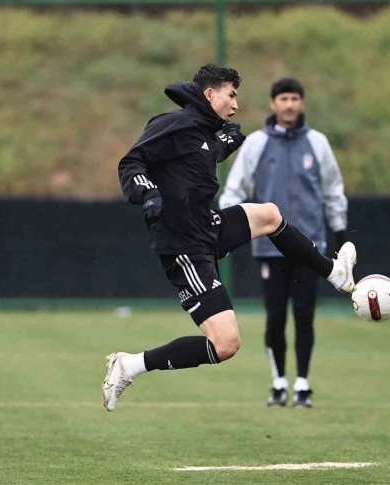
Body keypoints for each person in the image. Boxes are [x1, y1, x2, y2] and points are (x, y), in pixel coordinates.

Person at [102, 64, 357, 412]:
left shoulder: (203, 132)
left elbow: (197, 159)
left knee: (269, 215)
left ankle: (334, 272)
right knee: (226, 344)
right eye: (231, 95)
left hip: (207, 227)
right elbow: (132, 163)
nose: (236, 105)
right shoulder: (172, 124)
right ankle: (130, 365)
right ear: (210, 94)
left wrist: (223, 144)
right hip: (184, 246)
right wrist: (148, 194)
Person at [219, 78, 347, 408]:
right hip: (269, 247)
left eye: (294, 98)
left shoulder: (318, 144)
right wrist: (234, 226)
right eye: (283, 99)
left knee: (304, 316)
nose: (289, 104)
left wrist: (340, 235)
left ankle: (302, 384)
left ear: (302, 103)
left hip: (310, 247)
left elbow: (333, 191)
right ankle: (278, 383)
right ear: (273, 103)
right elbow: (233, 190)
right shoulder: (256, 143)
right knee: (275, 317)